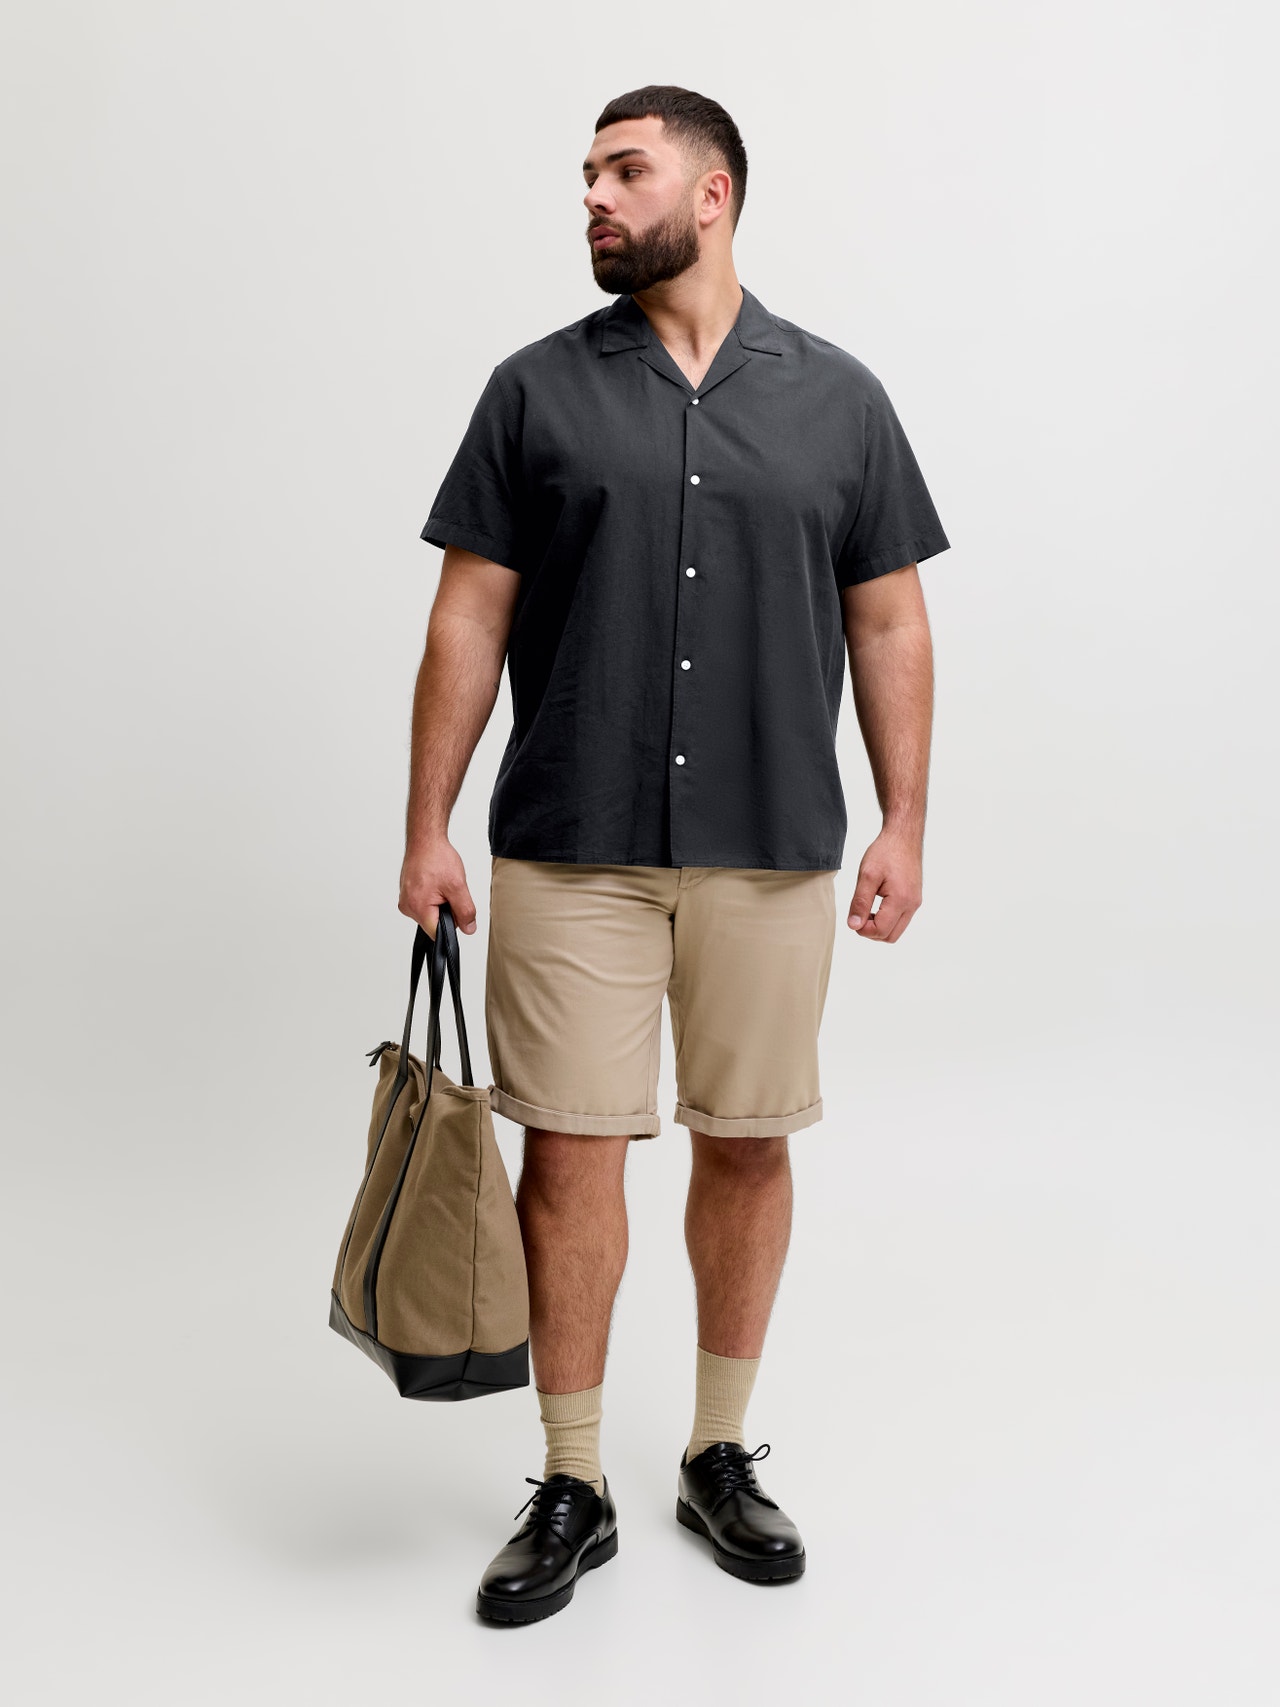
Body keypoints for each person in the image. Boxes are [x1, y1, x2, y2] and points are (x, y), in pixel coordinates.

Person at [399, 84, 951, 1623]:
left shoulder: (840, 400)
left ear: (712, 194)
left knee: (749, 1141)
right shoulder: (532, 392)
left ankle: (717, 1450)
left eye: (623, 170)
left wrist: (905, 817)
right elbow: (469, 617)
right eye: (586, 172)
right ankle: (572, 1479)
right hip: (571, 841)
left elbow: (890, 621)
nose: (592, 195)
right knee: (570, 1151)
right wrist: (426, 823)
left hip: (772, 845)